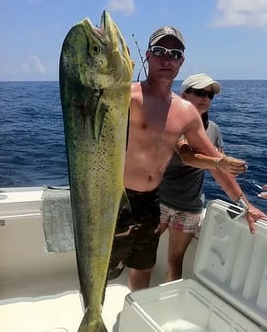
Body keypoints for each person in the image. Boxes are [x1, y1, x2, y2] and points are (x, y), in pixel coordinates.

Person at [107, 26, 267, 291]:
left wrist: (245, 204)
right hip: (117, 198)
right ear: (148, 55)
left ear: (181, 61)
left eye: (175, 53)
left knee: (143, 266)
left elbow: (216, 164)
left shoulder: (186, 113)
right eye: (160, 52)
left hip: (151, 202)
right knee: (104, 269)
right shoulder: (124, 96)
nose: (167, 59)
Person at [159, 73, 247, 281]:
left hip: (189, 206)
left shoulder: (213, 129)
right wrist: (219, 162)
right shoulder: (172, 122)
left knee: (175, 261)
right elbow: (187, 156)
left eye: (210, 95)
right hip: (159, 200)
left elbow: (221, 166)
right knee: (140, 253)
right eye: (200, 92)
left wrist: (245, 204)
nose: (206, 98)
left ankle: (167, 305)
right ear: (184, 95)